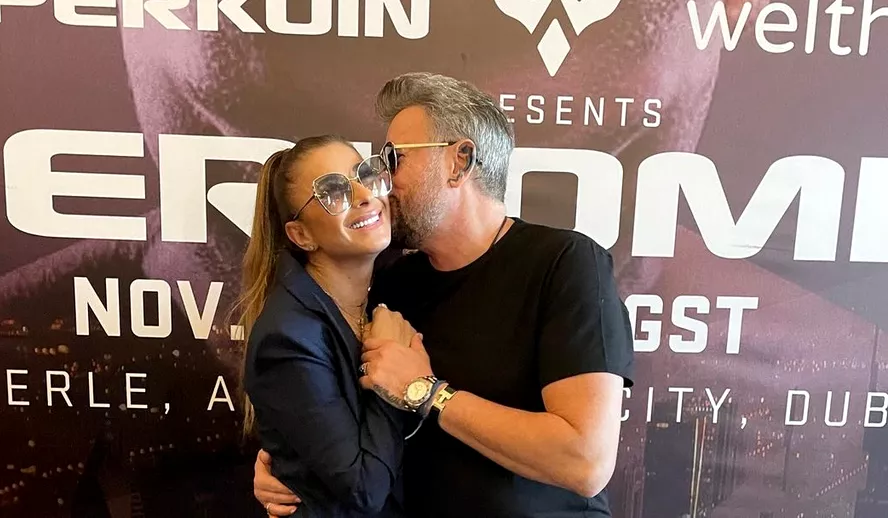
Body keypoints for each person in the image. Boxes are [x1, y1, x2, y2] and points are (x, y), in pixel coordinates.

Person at [255, 73, 635, 517]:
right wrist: (294, 469)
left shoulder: (565, 264)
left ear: (459, 162)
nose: (381, 182)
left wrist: (426, 392)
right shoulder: (393, 284)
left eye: (394, 159)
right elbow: (342, 434)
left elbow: (585, 461)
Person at [238, 134, 414, 517]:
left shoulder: (392, 292)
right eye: (333, 192)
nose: (364, 195)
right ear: (301, 235)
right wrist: (393, 380)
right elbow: (364, 489)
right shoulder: (288, 336)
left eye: (364, 175)